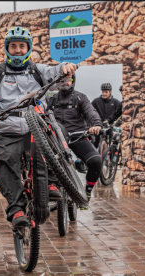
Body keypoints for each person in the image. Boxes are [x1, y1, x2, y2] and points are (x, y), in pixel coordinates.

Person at [0, 26, 77, 229]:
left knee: (55, 141)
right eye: (12, 46)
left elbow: (56, 73)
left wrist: (65, 68)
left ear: (28, 48)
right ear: (6, 48)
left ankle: (52, 183)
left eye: (21, 46)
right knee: (4, 161)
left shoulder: (37, 70)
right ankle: (16, 210)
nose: (17, 51)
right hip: (6, 128)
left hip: (36, 125)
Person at [46, 74, 103, 210]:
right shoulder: (51, 99)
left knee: (96, 161)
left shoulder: (80, 97)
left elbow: (90, 111)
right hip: (57, 138)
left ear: (73, 81)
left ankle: (87, 191)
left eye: (68, 79)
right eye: (62, 80)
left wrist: (96, 124)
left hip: (77, 136)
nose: (65, 82)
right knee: (43, 163)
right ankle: (49, 191)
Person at [91, 83, 123, 149]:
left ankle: (111, 156)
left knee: (112, 144)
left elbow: (117, 115)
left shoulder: (116, 102)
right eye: (103, 92)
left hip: (110, 126)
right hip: (98, 126)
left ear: (110, 92)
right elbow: (90, 111)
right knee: (94, 144)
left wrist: (113, 122)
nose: (104, 94)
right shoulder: (96, 101)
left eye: (106, 92)